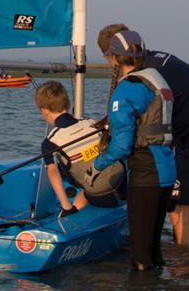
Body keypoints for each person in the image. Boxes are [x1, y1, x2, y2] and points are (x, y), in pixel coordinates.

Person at [97, 23, 189, 248]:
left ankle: (186, 275)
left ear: (112, 57)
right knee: (171, 207)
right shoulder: (148, 62)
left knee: (180, 210)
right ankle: (176, 266)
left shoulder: (144, 75)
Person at [87, 30, 176, 270]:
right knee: (154, 251)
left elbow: (122, 144)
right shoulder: (157, 78)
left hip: (147, 173)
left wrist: (97, 165)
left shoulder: (127, 89)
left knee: (139, 257)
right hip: (167, 172)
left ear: (114, 58)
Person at [35, 80, 126, 217]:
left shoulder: (50, 142)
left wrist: (66, 207)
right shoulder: (91, 123)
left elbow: (53, 173)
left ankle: (67, 214)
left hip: (99, 197)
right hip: (124, 187)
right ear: (68, 104)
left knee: (84, 190)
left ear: (44, 111)